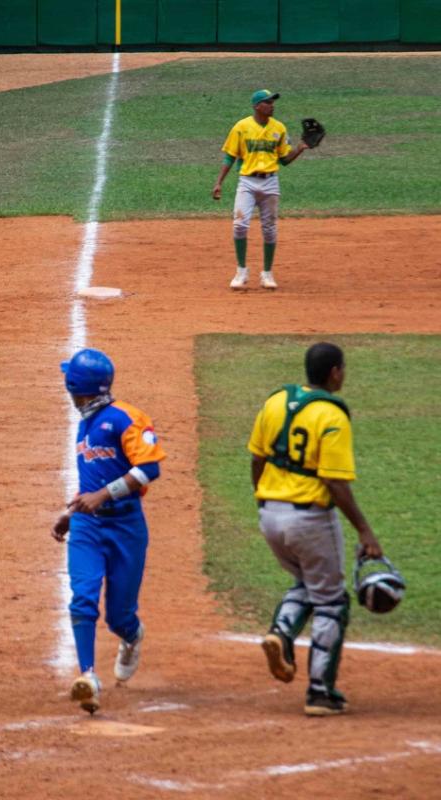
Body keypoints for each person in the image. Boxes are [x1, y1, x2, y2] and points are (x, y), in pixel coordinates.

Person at [247, 342, 383, 716]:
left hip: (270, 515)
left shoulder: (276, 401)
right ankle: (320, 692)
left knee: (308, 584)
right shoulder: (332, 415)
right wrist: (365, 532)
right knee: (332, 601)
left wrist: (262, 502)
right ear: (335, 372)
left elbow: (257, 458)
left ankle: (280, 632)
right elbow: (336, 484)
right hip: (309, 520)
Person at [52, 348, 166, 714]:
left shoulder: (126, 419)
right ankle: (88, 676)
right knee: (82, 596)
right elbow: (94, 478)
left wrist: (102, 495)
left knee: (119, 616)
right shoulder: (86, 422)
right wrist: (74, 511)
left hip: (126, 526)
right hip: (88, 526)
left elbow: (149, 469)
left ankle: (132, 637)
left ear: (77, 389)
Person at [212, 89, 309, 291]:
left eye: (272, 102)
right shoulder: (241, 127)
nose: (272, 105)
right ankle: (241, 271)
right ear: (257, 106)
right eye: (267, 102)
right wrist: (219, 182)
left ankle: (267, 273)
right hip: (247, 181)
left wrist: (299, 149)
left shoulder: (279, 128)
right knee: (239, 225)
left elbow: (284, 160)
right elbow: (230, 157)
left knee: (270, 228)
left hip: (270, 182)